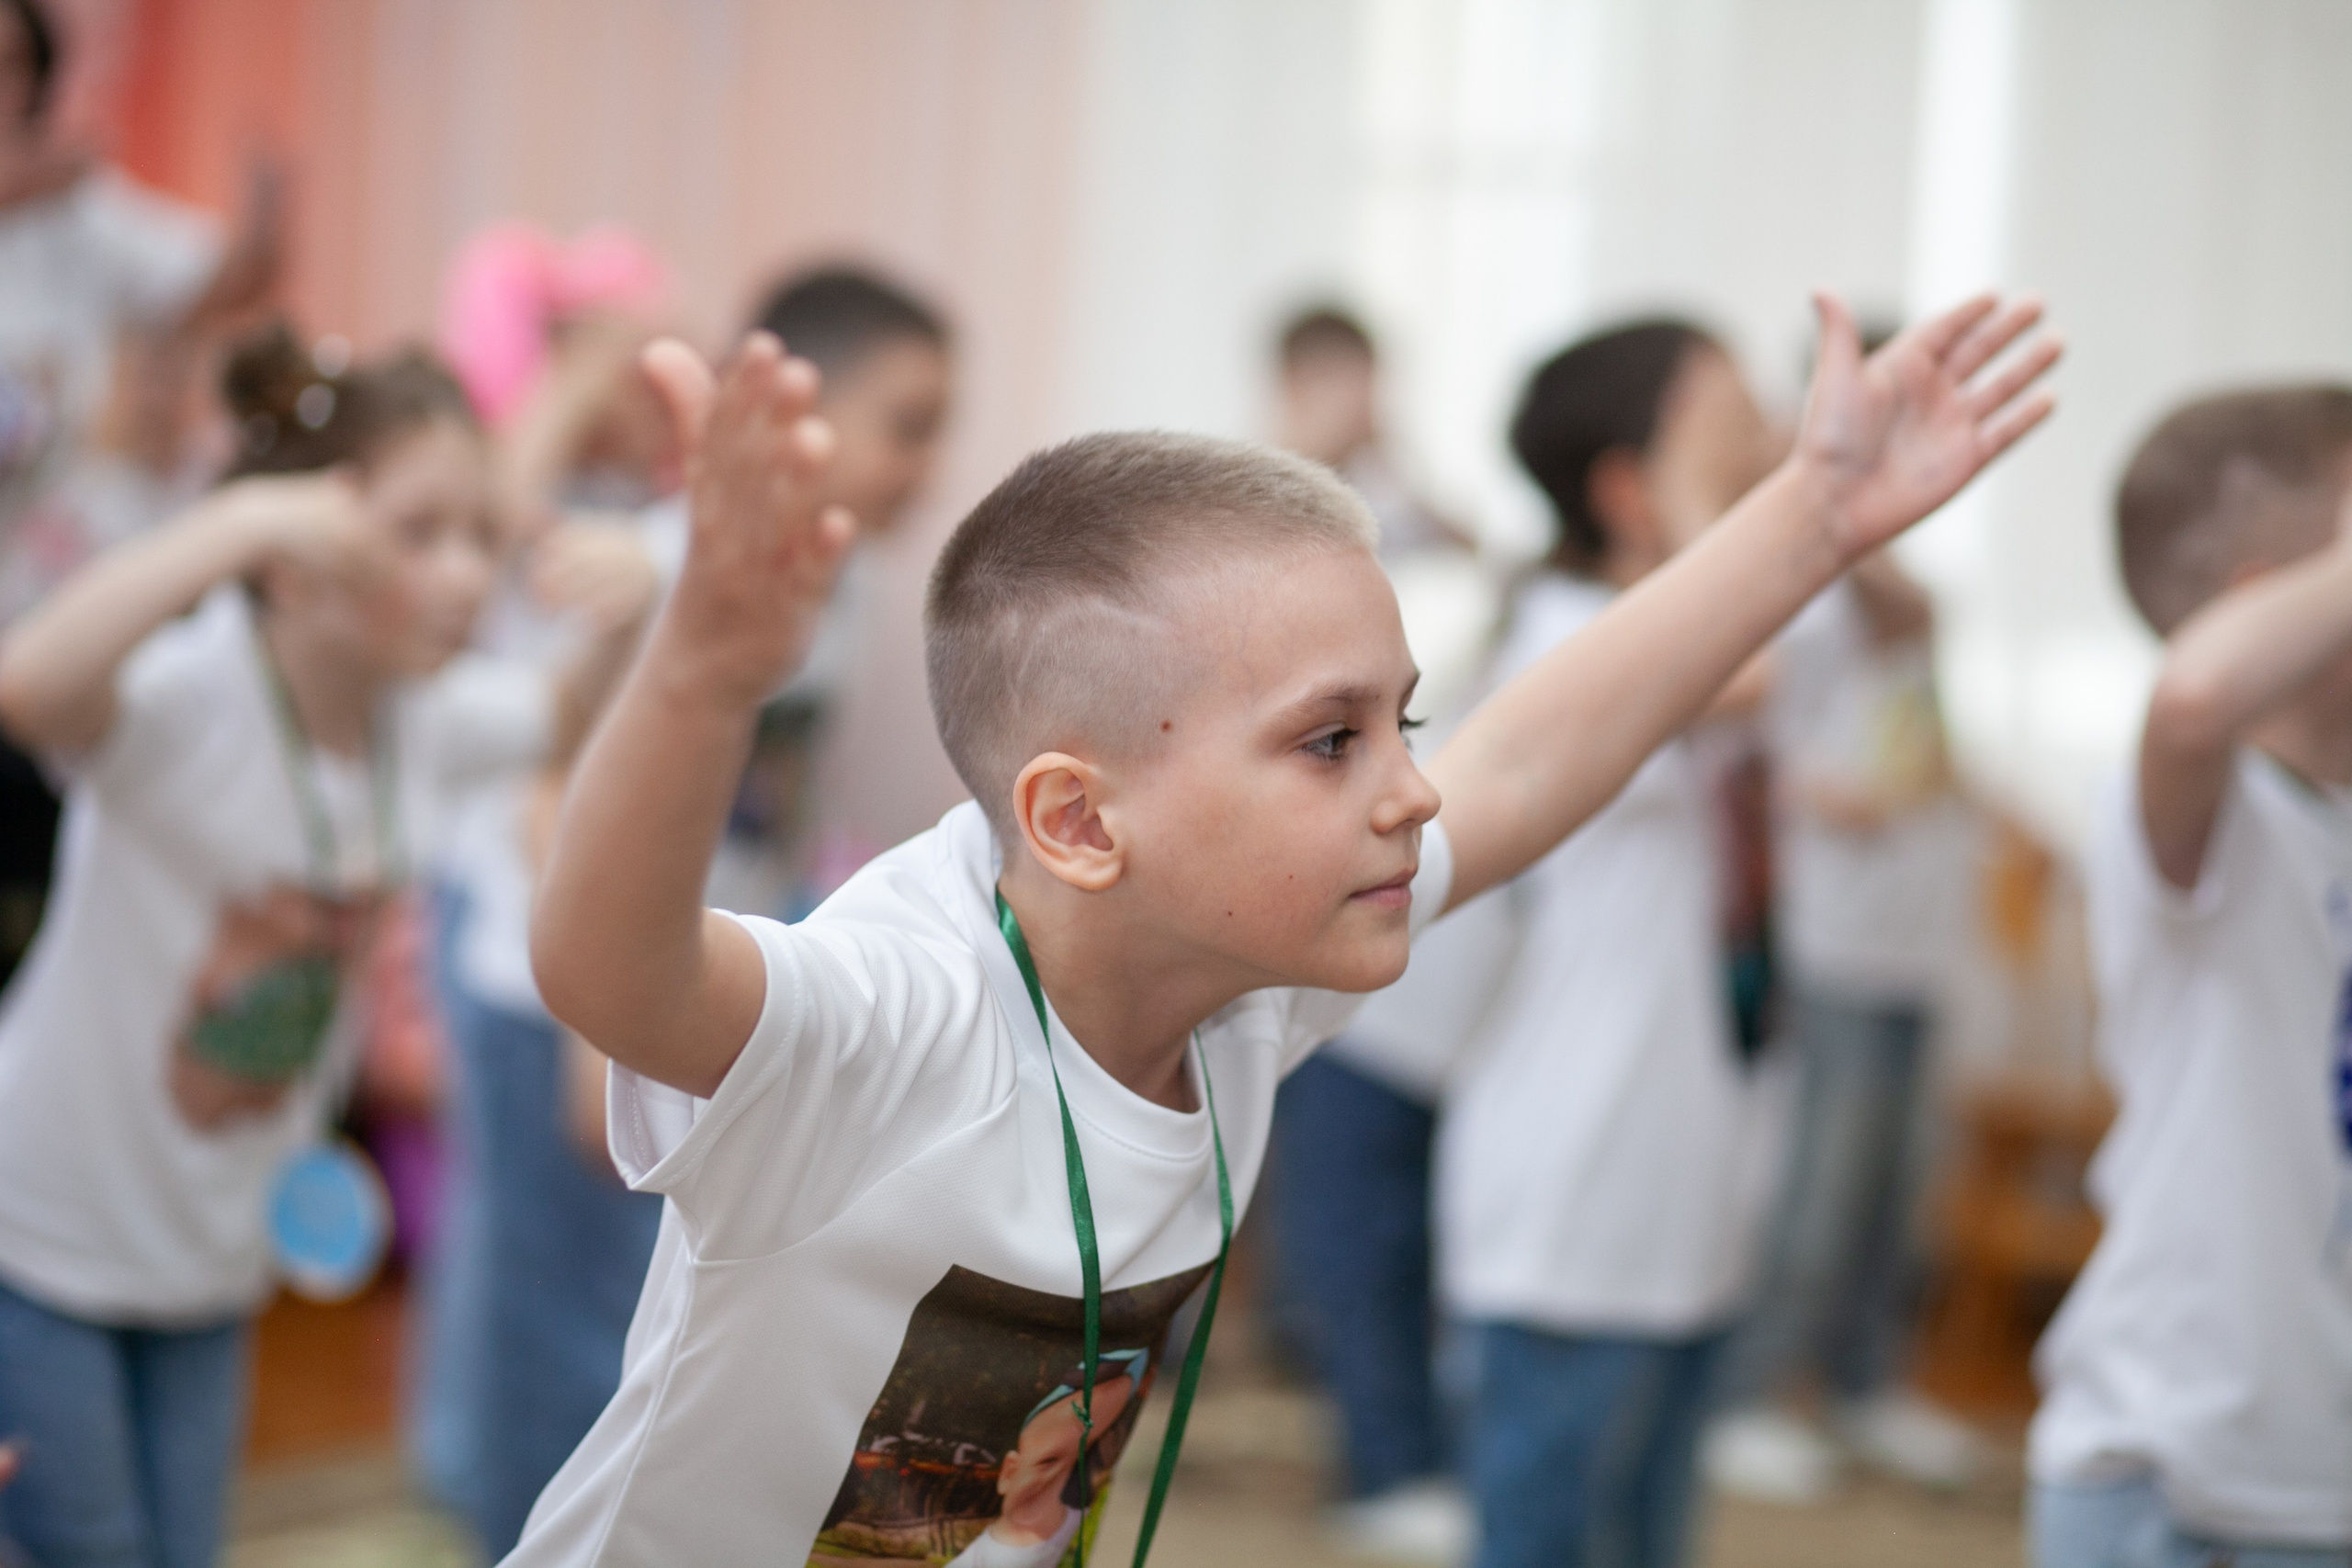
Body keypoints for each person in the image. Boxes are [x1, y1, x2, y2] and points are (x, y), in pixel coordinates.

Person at [500, 288, 2056, 1562]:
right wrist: (705, 669)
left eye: (1402, 725)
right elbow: (606, 969)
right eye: (1331, 742)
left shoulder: (1243, 978)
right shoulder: (906, 1005)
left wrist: (1816, 516)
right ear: (1080, 821)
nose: (1413, 791)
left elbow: (1526, 760)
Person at [0, 326, 649, 1568]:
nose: (468, 575)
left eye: (481, 535)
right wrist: (241, 524)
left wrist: (631, 609)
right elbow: (28, 685)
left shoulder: (425, 719)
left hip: (210, 1257)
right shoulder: (192, 695)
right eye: (419, 533)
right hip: (39, 1241)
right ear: (297, 565)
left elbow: (567, 715)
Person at [1423, 319, 1780, 1568]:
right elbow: (1750, 670)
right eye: (1732, 425)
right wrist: (1726, 521)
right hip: (1573, 1187)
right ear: (1630, 489)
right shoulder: (1565, 633)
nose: (1771, 445)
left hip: (1680, 1171)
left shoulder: (1641, 618)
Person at [2028, 386, 2352, 1568]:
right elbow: (2196, 696)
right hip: (2177, 1476)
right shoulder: (2210, 818)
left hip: (2315, 1477)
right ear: (2269, 605)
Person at [410, 224, 678, 1557]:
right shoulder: (525, 506)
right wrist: (577, 373)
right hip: (515, 931)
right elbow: (505, 505)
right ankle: (495, 1490)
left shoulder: (635, 517)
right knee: (525, 1262)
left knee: (553, 1259)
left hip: (588, 923)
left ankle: (501, 1473)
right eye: (622, 364)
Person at [0, 0, 280, 985]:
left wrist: (267, 211)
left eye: (13, 67)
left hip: (41, 631)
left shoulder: (79, 220)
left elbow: (220, 278)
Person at [1264, 302, 1482, 1563]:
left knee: (1368, 1205)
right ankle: (1371, 1436)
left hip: (1371, 906)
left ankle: (1380, 1437)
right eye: (1342, 379)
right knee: (1341, 1200)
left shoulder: (1393, 506)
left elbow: (1474, 560)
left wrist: (1395, 467)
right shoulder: (1248, 493)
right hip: (1273, 897)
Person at [1703, 547, 1983, 1503]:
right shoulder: (1813, 621)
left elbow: (1932, 743)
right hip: (1839, 955)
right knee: (1821, 1187)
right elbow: (1762, 755)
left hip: (1920, 954)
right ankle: (1750, 1396)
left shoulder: (1911, 639)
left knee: (1897, 1188)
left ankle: (1866, 1384)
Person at [705, 265, 953, 920]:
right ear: (797, 410)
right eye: (910, 428)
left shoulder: (855, 579)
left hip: (747, 926)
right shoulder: (681, 564)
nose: (930, 468)